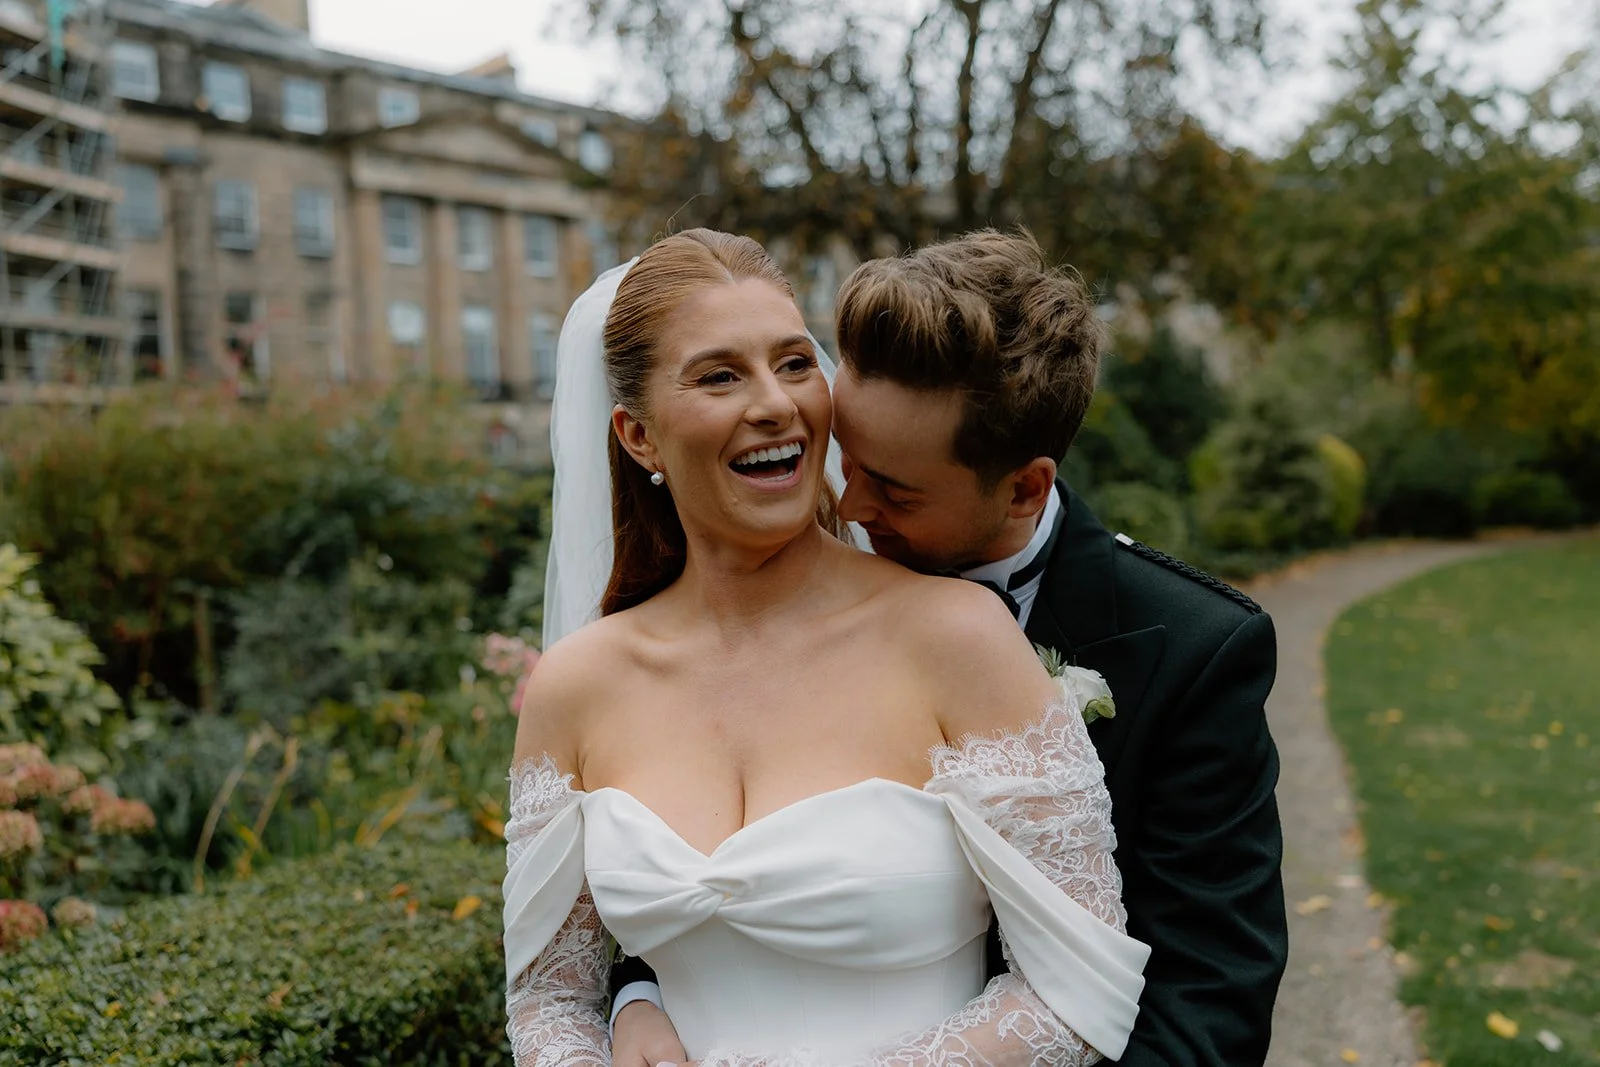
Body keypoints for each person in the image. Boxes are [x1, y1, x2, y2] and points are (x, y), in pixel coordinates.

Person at [609, 231, 1287, 1066]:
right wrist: (636, 991)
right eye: (846, 462)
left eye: (893, 489)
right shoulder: (787, 591)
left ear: (1023, 488)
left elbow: (1206, 1012)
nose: (848, 507)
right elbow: (722, 845)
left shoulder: (1195, 651)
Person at [504, 228, 1151, 1065]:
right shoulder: (575, 687)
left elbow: (1077, 985)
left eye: (794, 362)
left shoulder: (954, 636)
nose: (775, 402)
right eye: (720, 375)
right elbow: (550, 995)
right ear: (638, 437)